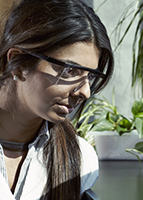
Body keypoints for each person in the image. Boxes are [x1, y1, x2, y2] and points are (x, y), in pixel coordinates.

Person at [0, 0, 114, 199]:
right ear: (18, 64)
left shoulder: (79, 159)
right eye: (70, 70)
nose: (85, 92)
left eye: (90, 76)